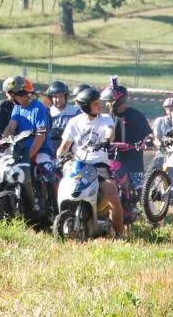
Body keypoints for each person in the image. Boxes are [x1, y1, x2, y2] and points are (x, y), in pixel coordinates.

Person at [56, 87, 124, 236]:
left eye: (99, 102)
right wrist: (59, 158)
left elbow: (109, 130)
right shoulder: (74, 122)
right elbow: (64, 146)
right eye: (95, 104)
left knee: (112, 195)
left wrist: (107, 140)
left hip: (99, 165)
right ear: (86, 107)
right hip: (79, 164)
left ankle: (120, 234)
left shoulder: (105, 118)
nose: (100, 105)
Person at [2, 75, 55, 220]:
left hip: (41, 151)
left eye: (9, 93)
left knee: (47, 174)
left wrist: (30, 155)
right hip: (22, 151)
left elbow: (41, 135)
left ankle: (53, 208)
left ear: (16, 93)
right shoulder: (17, 108)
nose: (8, 97)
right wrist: (2, 141)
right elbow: (11, 127)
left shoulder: (39, 108)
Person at [100, 76, 151, 221]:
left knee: (138, 190)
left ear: (118, 101)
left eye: (110, 101)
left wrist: (144, 143)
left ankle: (145, 213)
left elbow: (147, 134)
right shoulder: (107, 117)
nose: (107, 104)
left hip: (133, 159)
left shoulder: (136, 115)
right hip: (113, 158)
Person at [46, 81, 80, 153]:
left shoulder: (75, 112)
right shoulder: (47, 112)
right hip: (51, 146)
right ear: (51, 98)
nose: (58, 99)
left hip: (70, 146)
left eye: (61, 96)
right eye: (55, 97)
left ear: (65, 96)